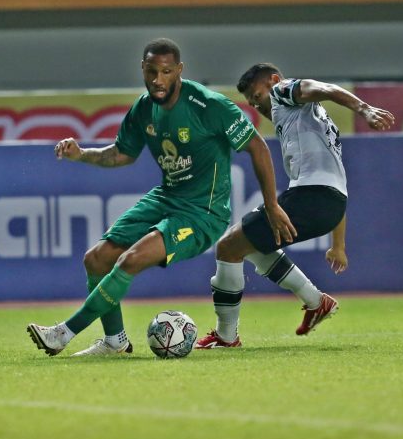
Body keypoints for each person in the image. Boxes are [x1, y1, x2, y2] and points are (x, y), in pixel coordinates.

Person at [27, 40, 293, 357]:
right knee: (96, 258)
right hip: (166, 198)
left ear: (179, 71)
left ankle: (63, 333)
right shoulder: (143, 108)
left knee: (131, 259)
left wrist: (272, 205)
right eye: (152, 71)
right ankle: (115, 341)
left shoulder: (209, 105)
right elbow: (121, 154)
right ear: (143, 69)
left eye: (166, 72)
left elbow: (258, 147)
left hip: (202, 214)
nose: (158, 79)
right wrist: (81, 154)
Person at [196, 63, 394, 349]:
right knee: (249, 246)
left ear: (274, 81)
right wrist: (338, 243)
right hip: (328, 203)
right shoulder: (309, 120)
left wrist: (365, 109)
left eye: (257, 95)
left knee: (228, 247)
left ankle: (226, 336)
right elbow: (337, 184)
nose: (257, 105)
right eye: (251, 102)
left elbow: (324, 88)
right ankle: (316, 302)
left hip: (311, 197)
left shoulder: (282, 91)